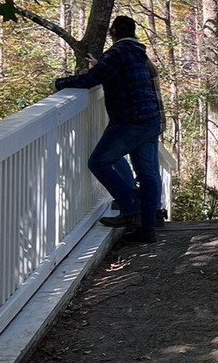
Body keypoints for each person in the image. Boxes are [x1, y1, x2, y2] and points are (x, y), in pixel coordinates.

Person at [55, 15, 164, 245]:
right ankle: (148, 228)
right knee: (148, 175)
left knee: (98, 162)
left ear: (113, 33)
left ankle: (130, 207)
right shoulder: (139, 53)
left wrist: (60, 83)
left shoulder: (116, 54)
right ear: (133, 32)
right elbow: (114, 73)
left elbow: (91, 79)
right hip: (150, 120)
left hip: (129, 121)